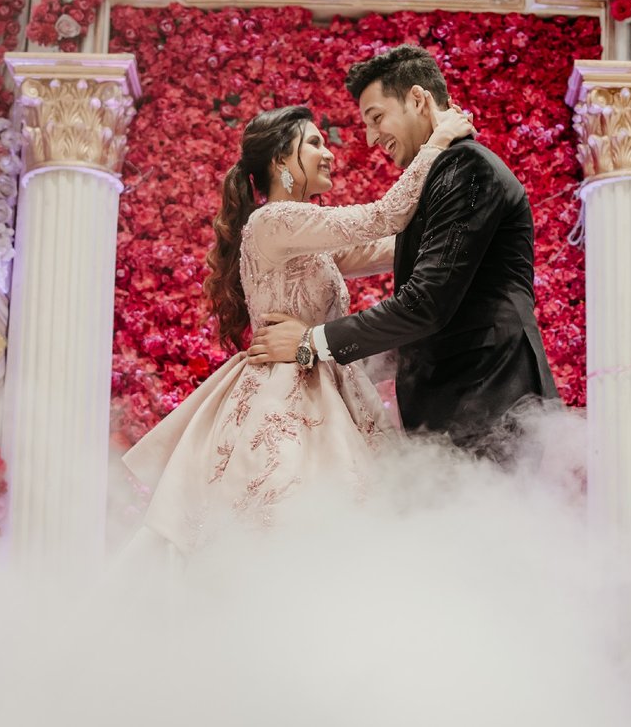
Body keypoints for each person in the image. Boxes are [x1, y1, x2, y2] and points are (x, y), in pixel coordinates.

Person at [122, 103, 473, 552]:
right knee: (291, 522)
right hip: (284, 392)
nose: (329, 153)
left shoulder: (306, 238)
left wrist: (460, 222)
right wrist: (436, 142)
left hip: (325, 378)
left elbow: (393, 246)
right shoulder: (273, 220)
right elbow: (383, 216)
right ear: (280, 161)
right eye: (314, 143)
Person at [249, 45, 557, 459]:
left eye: (376, 118)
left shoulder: (465, 167)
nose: (370, 138)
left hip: (491, 397)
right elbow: (400, 253)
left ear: (417, 100)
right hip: (453, 407)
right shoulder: (280, 223)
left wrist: (311, 343)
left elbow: (424, 302)